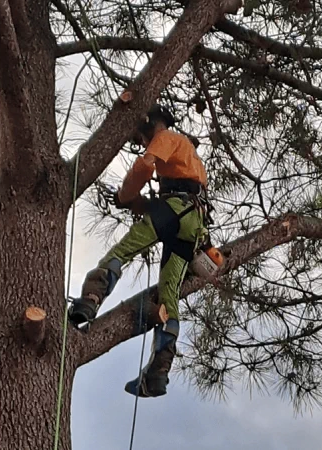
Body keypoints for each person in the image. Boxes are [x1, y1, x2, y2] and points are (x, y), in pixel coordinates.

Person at [69, 104, 210, 398]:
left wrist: (124, 196)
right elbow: (182, 188)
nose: (142, 143)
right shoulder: (190, 157)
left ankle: (89, 300)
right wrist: (143, 205)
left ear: (149, 124)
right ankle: (158, 373)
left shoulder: (166, 136)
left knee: (123, 251)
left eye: (140, 137)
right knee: (168, 295)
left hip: (175, 210)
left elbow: (145, 167)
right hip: (193, 224)